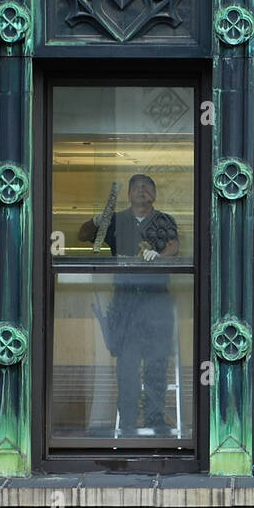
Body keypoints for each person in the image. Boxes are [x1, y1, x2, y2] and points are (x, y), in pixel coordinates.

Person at [79, 173, 179, 436]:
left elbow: (173, 246)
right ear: (129, 193)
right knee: (127, 365)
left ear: (154, 194)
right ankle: (128, 422)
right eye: (136, 187)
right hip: (124, 302)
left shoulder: (164, 220)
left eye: (147, 187)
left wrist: (160, 256)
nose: (142, 191)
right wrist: (96, 221)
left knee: (157, 362)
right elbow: (83, 235)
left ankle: (155, 420)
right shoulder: (116, 221)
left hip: (156, 300)